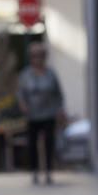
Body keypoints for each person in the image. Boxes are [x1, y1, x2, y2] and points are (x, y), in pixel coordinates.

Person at [16, 42, 64, 185]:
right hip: (32, 115)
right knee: (32, 144)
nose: (37, 59)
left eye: (40, 56)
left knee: (49, 143)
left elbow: (58, 94)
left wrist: (60, 110)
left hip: (49, 114)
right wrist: (23, 105)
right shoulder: (26, 75)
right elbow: (20, 93)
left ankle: (49, 171)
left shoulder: (51, 74)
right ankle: (35, 171)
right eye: (34, 56)